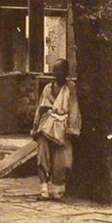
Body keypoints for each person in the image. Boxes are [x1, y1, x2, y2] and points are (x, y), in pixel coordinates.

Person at [31, 60, 81, 201]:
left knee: (63, 160)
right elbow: (40, 108)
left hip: (62, 126)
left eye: (59, 70)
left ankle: (58, 189)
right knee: (42, 156)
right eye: (54, 70)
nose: (56, 73)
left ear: (66, 72)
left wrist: (72, 127)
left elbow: (74, 107)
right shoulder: (47, 88)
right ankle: (44, 189)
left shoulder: (70, 87)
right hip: (46, 125)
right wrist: (35, 127)